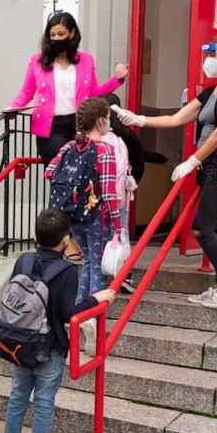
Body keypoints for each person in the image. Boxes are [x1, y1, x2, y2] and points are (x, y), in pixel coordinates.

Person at [115, 31, 217, 308]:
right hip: (211, 164)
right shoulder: (212, 90)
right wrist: (140, 119)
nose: (207, 60)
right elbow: (176, 118)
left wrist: (193, 160)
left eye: (212, 54)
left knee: (202, 228)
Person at [3, 209, 115, 433]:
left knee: (17, 398)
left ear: (35, 236)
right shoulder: (66, 270)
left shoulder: (23, 261)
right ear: (66, 240)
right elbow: (68, 315)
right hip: (49, 348)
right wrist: (95, 298)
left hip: (20, 343)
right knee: (43, 403)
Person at [9, 12, 129, 167]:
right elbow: (26, 91)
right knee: (60, 173)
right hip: (51, 128)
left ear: (71, 33)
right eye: (52, 34)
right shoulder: (37, 60)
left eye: (61, 34)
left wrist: (117, 80)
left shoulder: (86, 60)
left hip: (80, 124)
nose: (56, 38)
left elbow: (94, 93)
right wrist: (13, 108)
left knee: (81, 172)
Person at [48, 97, 123, 339]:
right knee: (98, 265)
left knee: (89, 262)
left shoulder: (69, 147)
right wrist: (118, 225)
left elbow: (49, 172)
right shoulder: (105, 150)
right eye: (109, 119)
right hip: (96, 216)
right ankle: (91, 318)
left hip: (72, 215)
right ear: (101, 121)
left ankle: (78, 313)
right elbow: (109, 193)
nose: (110, 123)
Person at [100, 92, 142, 293]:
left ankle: (101, 275)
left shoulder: (97, 137)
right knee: (120, 232)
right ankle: (124, 274)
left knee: (100, 234)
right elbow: (139, 166)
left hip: (98, 197)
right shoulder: (129, 136)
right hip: (121, 197)